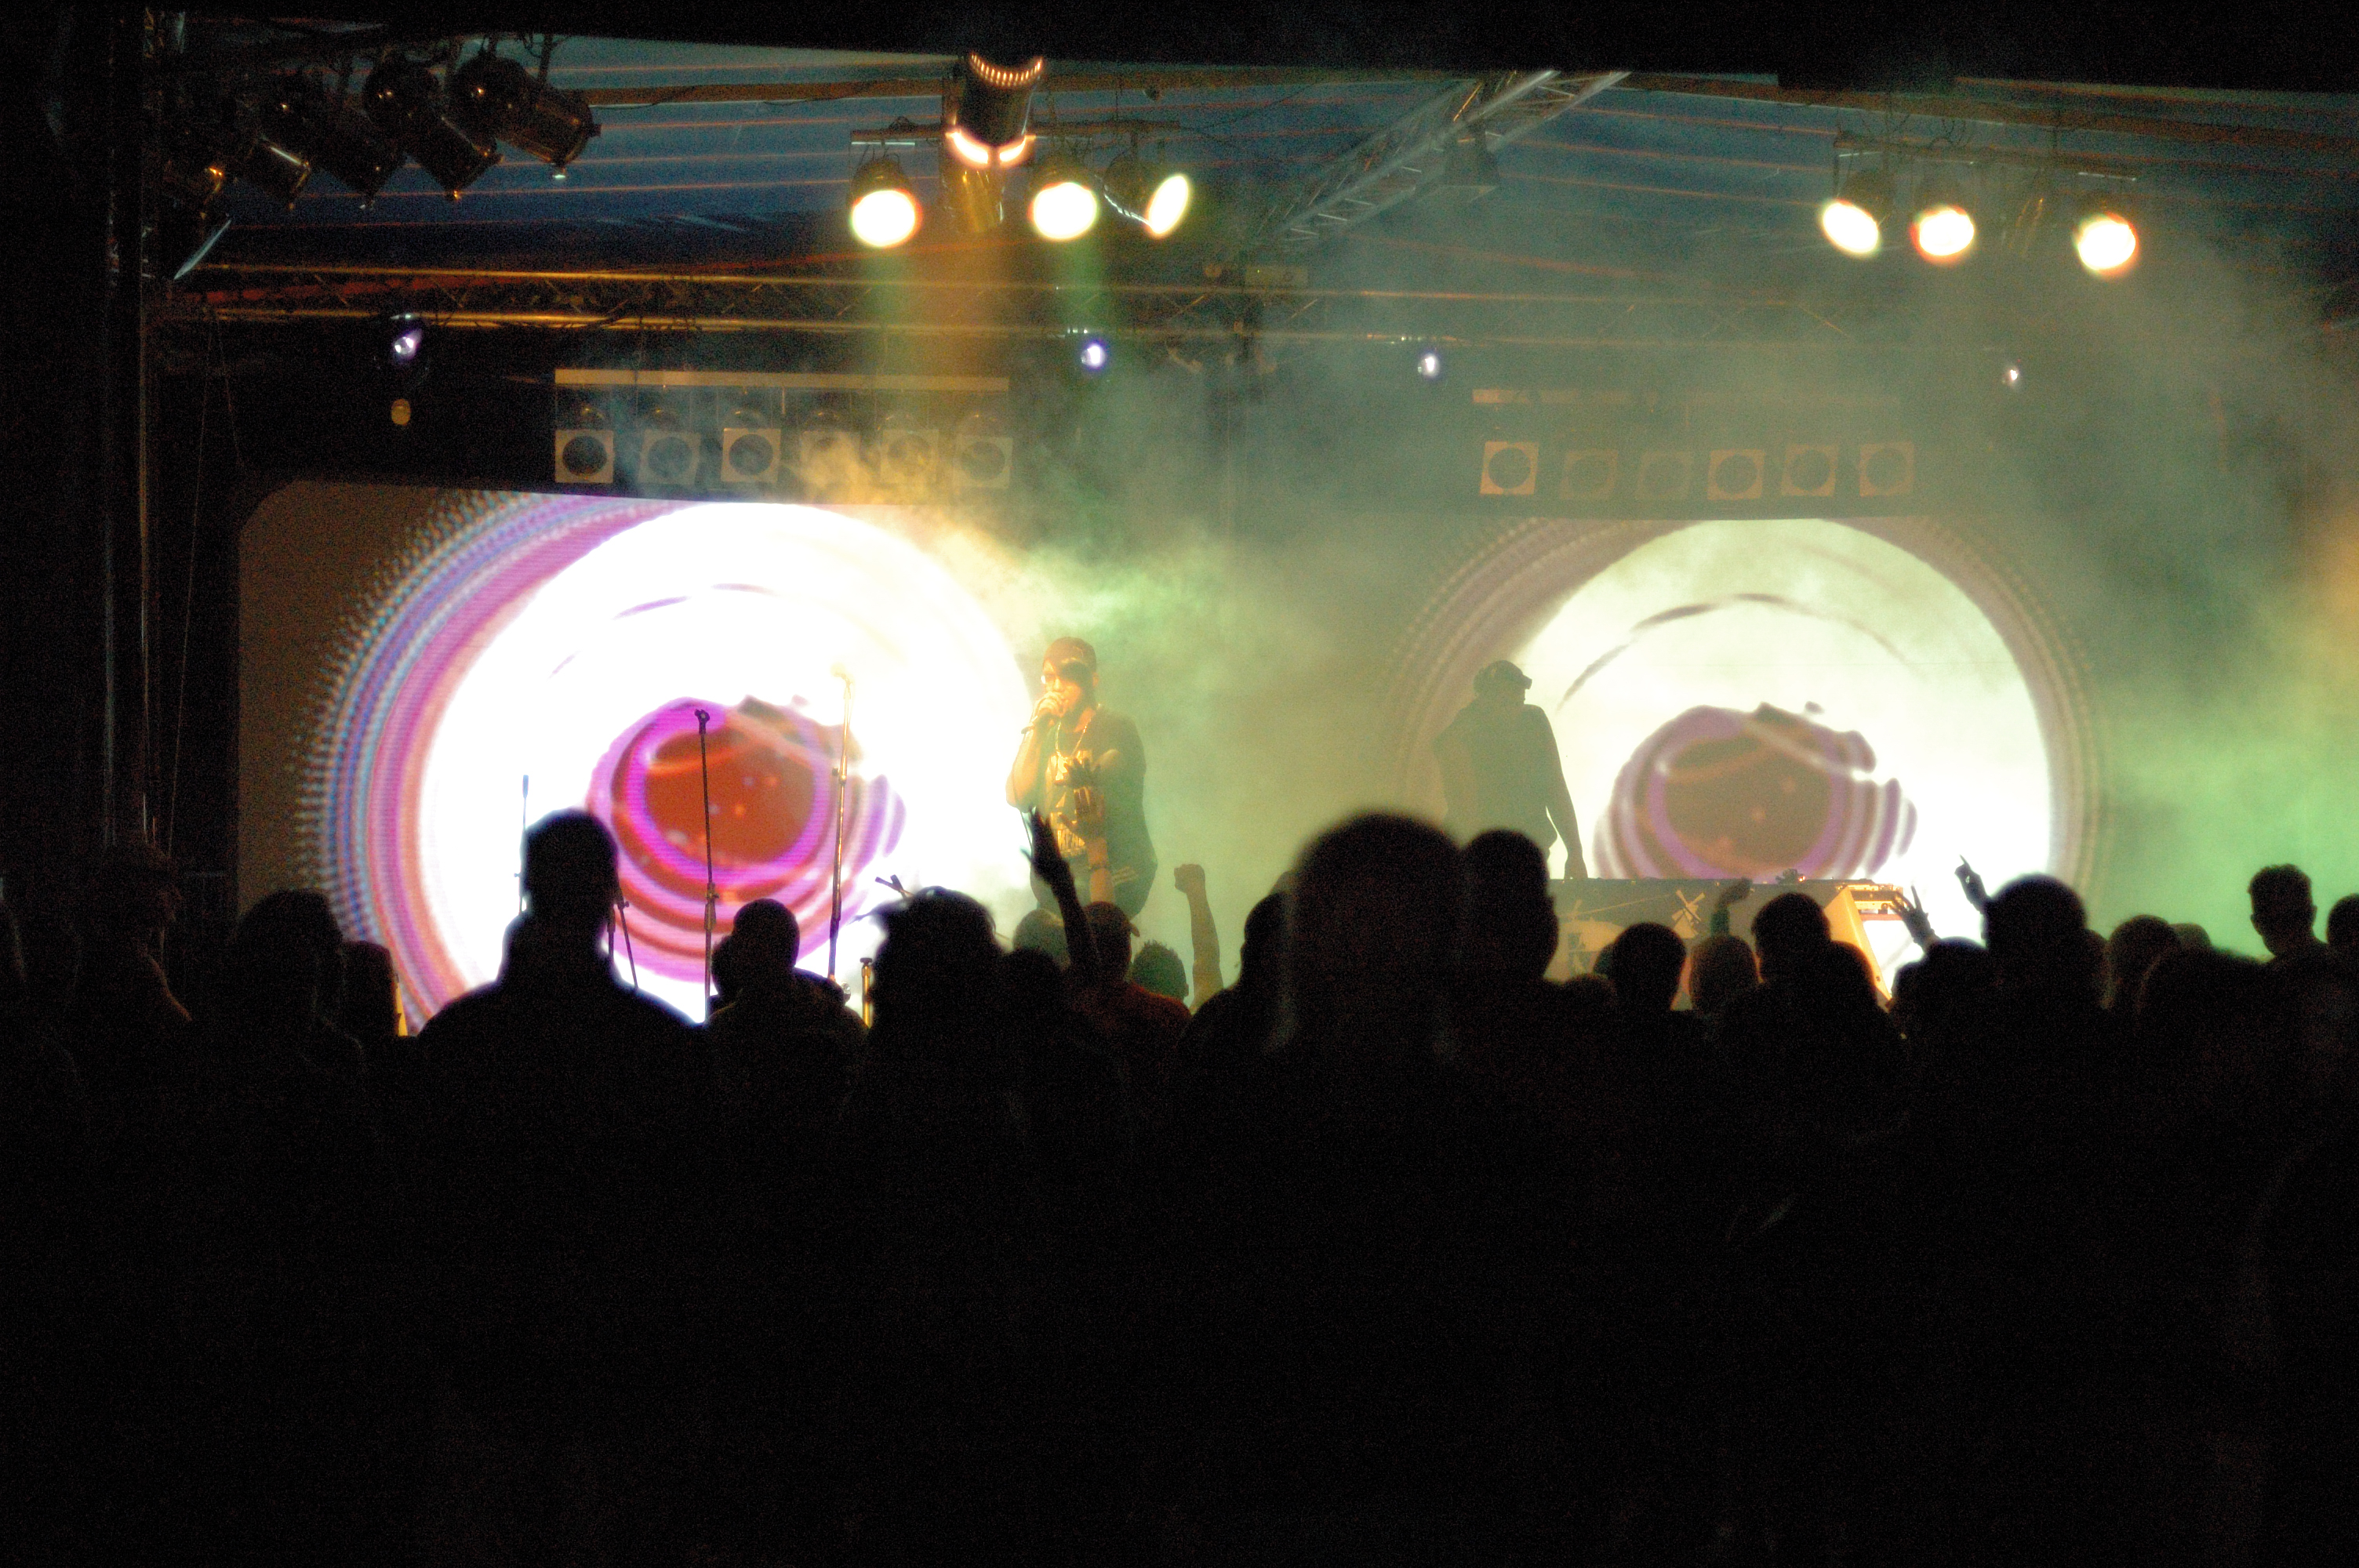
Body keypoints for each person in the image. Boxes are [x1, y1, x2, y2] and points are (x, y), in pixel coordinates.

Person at [1005, 636, 1158, 916]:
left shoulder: (1115, 725)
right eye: (1050, 678)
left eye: (1068, 677)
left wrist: (1091, 775)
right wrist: (1036, 730)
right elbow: (1017, 796)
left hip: (1113, 875)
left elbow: (1113, 760)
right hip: (1057, 888)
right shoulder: (1045, 735)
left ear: (1093, 680)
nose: (1057, 687)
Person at [1432, 659, 1587, 877]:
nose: (1515, 709)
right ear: (1485, 699)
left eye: (1519, 700)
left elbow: (1555, 787)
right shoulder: (1457, 738)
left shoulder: (1533, 721)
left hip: (1526, 851)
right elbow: (1466, 808)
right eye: (1506, 701)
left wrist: (1575, 853)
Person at [2252, 863, 2328, 964]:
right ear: (2313, 914)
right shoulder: (2345, 963)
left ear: (2256, 924)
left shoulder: (2263, 973)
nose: (2285, 928)